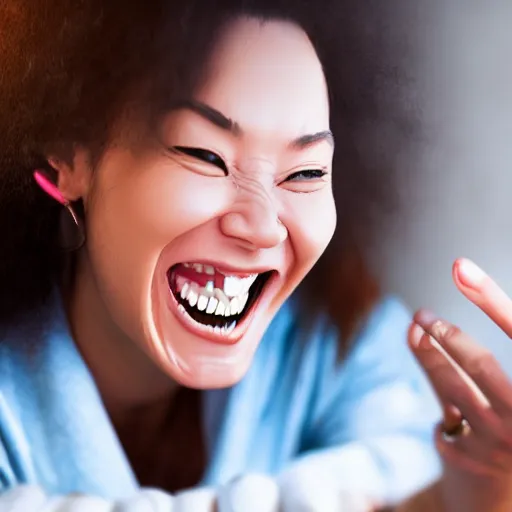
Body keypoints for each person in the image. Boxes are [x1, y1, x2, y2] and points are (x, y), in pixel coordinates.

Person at [0, 0, 442, 510]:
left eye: (306, 173)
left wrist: (481, 483)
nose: (261, 227)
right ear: (68, 153)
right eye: (203, 155)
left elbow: (424, 459)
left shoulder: (335, 339)